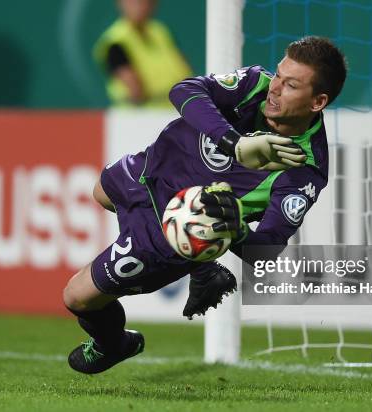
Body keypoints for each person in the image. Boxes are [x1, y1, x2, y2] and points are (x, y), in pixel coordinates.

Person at [64, 36, 347, 374]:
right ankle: (203, 268)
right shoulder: (256, 83)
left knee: (76, 297)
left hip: (171, 227)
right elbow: (183, 90)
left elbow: (267, 249)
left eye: (291, 85)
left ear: (318, 102)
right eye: (279, 76)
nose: (276, 88)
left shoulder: (303, 166)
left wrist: (235, 230)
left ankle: (114, 344)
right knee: (101, 192)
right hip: (152, 169)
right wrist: (235, 143)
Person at [93, 0, 192, 107]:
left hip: (174, 113)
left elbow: (184, 71)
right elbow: (136, 91)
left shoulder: (161, 31)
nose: (140, 5)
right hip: (136, 118)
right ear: (120, 3)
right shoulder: (115, 42)